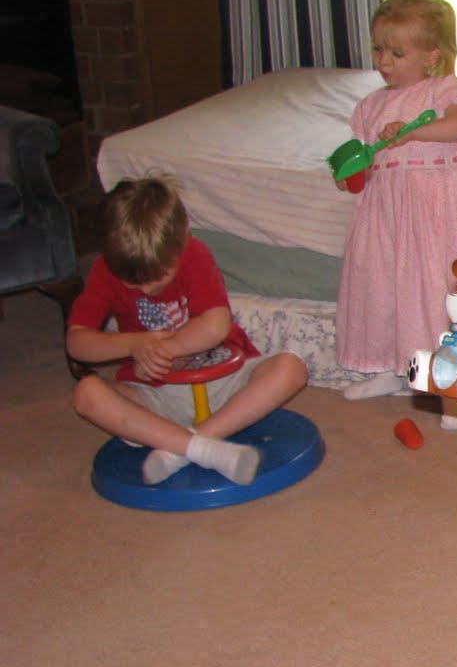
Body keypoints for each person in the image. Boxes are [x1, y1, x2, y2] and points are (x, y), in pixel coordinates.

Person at [67, 176, 308, 486]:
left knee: (291, 368)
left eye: (159, 278)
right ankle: (201, 448)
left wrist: (161, 349)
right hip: (154, 394)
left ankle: (181, 449)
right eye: (133, 283)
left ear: (183, 237)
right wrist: (132, 344)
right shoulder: (104, 270)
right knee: (86, 394)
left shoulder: (194, 254)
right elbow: (77, 343)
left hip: (223, 382)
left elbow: (216, 325)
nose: (147, 289)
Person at [337, 0, 457, 429]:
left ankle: (453, 394)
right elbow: (361, 164)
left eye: (397, 53)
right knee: (383, 290)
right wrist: (352, 172)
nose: (384, 61)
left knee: (430, 295)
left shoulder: (441, 90)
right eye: (378, 50)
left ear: (431, 56)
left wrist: (412, 132)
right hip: (385, 214)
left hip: (432, 212)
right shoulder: (369, 106)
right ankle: (393, 367)